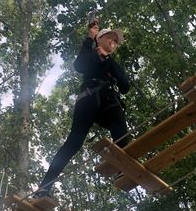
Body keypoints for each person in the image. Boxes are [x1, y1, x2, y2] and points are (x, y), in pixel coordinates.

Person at [34, 19, 130, 196]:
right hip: (89, 97)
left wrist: (108, 60)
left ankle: (123, 168)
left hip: (109, 100)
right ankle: (44, 186)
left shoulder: (112, 63)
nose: (113, 42)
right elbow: (79, 66)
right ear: (99, 38)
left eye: (116, 41)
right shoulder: (90, 52)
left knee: (121, 128)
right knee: (74, 142)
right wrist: (89, 38)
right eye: (110, 38)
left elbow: (125, 86)